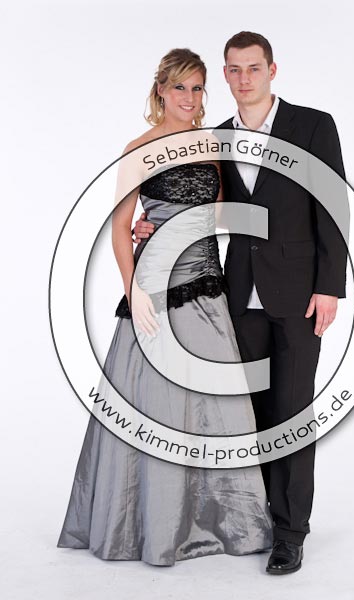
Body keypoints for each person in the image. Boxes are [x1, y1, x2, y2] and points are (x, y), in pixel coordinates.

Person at [134, 32, 348, 574]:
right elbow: (209, 206)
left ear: (272, 70)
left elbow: (333, 207)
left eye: (253, 68)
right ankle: (256, 521)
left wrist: (330, 285)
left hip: (300, 296)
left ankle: (290, 533)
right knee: (249, 415)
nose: (244, 78)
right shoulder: (219, 139)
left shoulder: (313, 126)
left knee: (292, 412)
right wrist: (153, 224)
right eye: (234, 69)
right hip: (236, 297)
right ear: (225, 76)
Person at [56, 48, 273, 567]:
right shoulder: (138, 149)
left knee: (217, 405)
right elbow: (118, 228)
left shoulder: (213, 146)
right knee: (154, 405)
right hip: (155, 290)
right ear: (161, 91)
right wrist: (133, 289)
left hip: (208, 289)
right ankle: (151, 526)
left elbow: (221, 215)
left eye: (198, 88)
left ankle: (221, 521)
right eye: (180, 87)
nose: (189, 98)